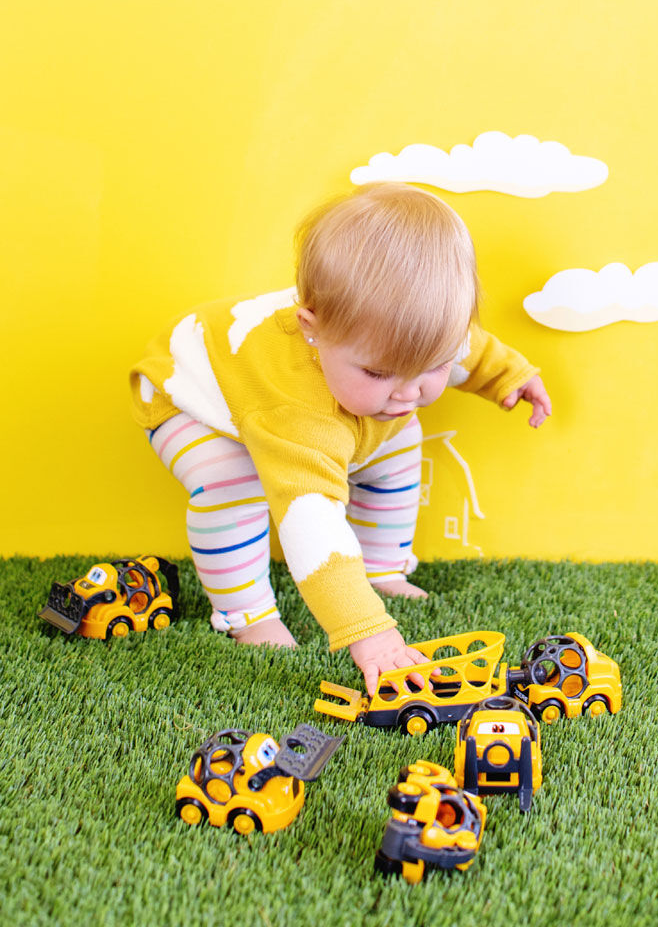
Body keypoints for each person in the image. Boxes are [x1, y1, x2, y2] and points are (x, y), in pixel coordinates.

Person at [129, 182, 551, 694]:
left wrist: (509, 376)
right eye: (378, 372)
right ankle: (246, 613)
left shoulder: (414, 343)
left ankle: (382, 566)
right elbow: (312, 524)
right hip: (190, 396)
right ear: (312, 328)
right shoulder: (298, 411)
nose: (408, 392)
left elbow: (467, 346)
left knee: (396, 442)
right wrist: (369, 634)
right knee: (231, 480)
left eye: (432, 367)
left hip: (292, 400)